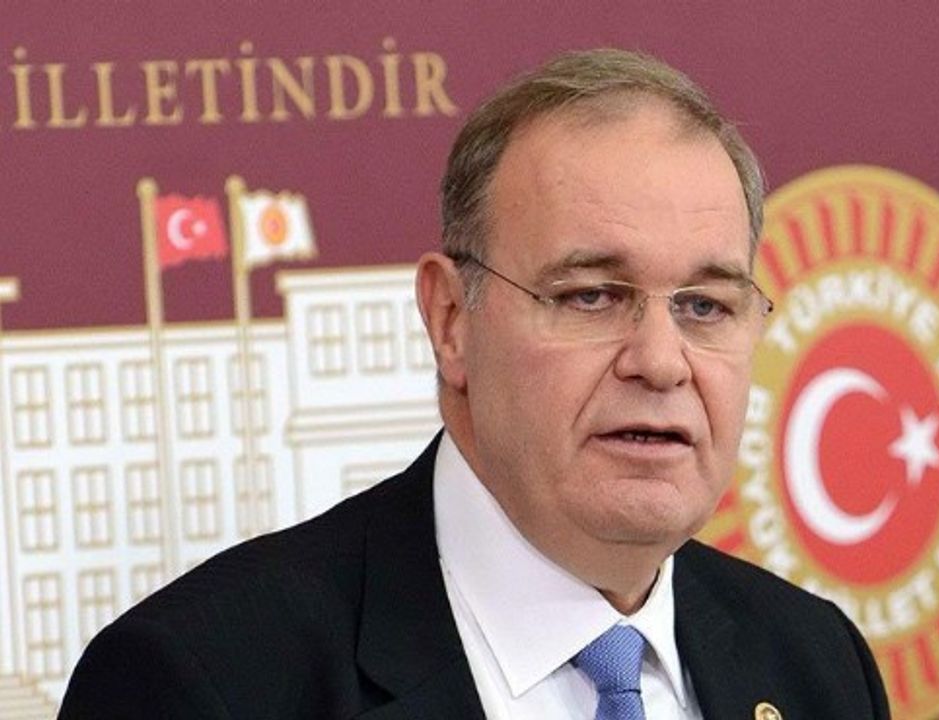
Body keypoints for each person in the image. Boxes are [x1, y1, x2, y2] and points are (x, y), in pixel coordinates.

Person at [61, 48, 888, 719]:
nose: (662, 362)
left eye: (706, 306)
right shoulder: (204, 682)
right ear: (451, 319)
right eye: (591, 296)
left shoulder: (816, 662)